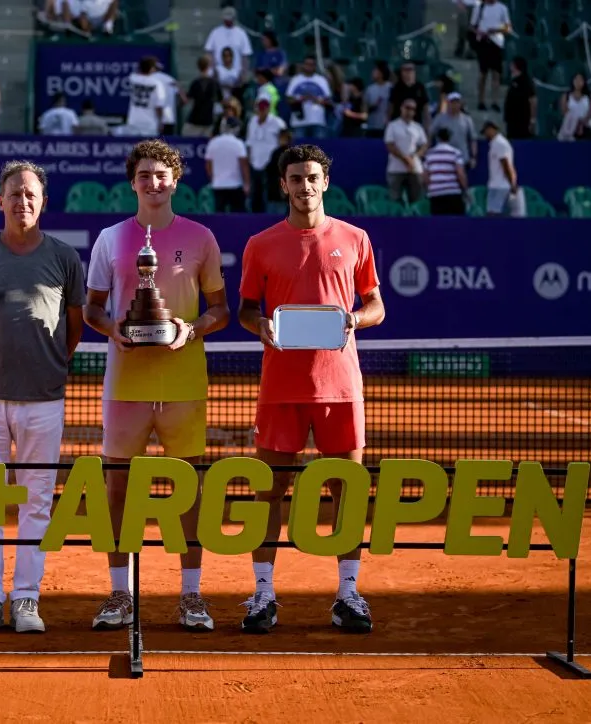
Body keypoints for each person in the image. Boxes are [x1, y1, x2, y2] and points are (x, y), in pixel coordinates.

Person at [237, 144, 385, 634]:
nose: (305, 186)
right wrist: (261, 326)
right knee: (270, 490)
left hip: (340, 386)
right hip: (281, 386)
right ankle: (262, 594)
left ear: (325, 182)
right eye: (296, 178)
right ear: (283, 184)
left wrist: (353, 320)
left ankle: (348, 594)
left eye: (313, 178)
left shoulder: (356, 238)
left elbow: (375, 306)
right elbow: (245, 310)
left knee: (348, 489)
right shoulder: (260, 243)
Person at [83, 139, 230, 632]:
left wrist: (192, 329)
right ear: (133, 183)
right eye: (145, 175)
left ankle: (191, 595)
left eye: (162, 174)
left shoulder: (202, 237)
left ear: (176, 180)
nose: (154, 183)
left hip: (185, 381)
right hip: (125, 383)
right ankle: (120, 593)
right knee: (117, 488)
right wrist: (113, 332)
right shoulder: (110, 239)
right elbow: (93, 308)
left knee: (188, 489)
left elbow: (221, 310)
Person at [0, 160, 86, 634]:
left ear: (42, 201)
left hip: (44, 401)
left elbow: (74, 328)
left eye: (31, 194)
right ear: (0, 200)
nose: (23, 201)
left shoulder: (65, 258)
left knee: (37, 503)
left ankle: (26, 598)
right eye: (15, 194)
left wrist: (47, 367)